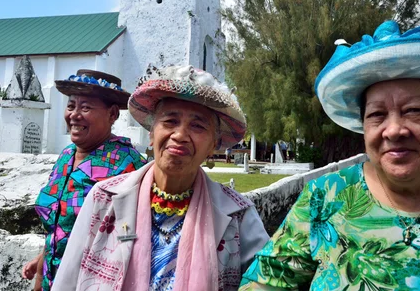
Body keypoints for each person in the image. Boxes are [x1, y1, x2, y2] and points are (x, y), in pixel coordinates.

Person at [240, 21, 420, 290]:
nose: (394, 130)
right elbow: (266, 283)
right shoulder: (326, 198)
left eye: (414, 111)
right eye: (377, 115)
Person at [52, 65, 269, 291]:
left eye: (197, 126)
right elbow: (67, 280)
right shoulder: (103, 198)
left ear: (213, 145)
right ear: (152, 133)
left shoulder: (238, 214)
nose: (180, 135)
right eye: (170, 121)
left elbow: (267, 282)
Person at [21, 70, 147, 291]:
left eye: (86, 107)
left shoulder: (128, 164)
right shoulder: (66, 157)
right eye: (71, 106)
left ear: (113, 114)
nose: (74, 115)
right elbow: (61, 225)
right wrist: (42, 263)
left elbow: (133, 234)